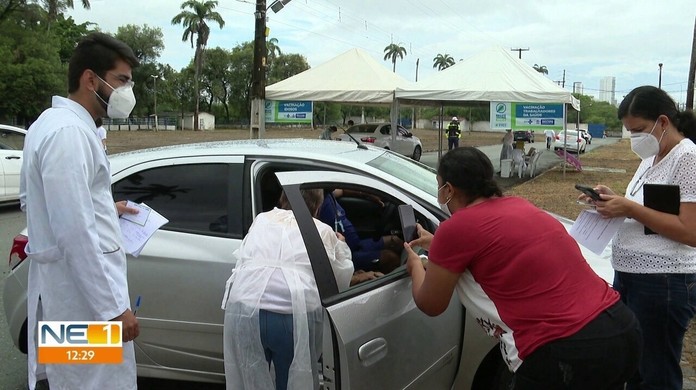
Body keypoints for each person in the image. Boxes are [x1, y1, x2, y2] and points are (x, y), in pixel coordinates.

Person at [404, 147, 642, 389]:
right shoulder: (518, 205)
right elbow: (495, 249)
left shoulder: (456, 228)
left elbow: (431, 304)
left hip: (566, 351)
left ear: (449, 189)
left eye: (439, 185)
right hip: (620, 328)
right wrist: (437, 245)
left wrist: (415, 265)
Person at [19, 32, 140, 390]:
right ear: (91, 79)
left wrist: (105, 207)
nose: (126, 93)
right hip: (84, 305)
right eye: (121, 81)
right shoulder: (68, 133)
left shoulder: (49, 125)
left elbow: (39, 202)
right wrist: (112, 310)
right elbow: (73, 231)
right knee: (93, 383)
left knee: (78, 381)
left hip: (72, 296)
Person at [581, 85, 696, 390]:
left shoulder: (688, 157)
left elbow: (690, 231)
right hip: (632, 275)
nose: (634, 139)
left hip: (663, 280)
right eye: (630, 131)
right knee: (633, 362)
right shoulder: (652, 157)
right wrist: (613, 202)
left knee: (655, 372)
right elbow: (648, 210)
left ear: (662, 121)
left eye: (639, 130)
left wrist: (629, 207)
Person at [221, 189, 354, 390]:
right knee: (291, 380)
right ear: (317, 207)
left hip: (245, 310)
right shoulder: (321, 230)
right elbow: (340, 278)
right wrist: (341, 246)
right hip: (292, 317)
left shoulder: (262, 220)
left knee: (251, 377)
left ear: (282, 199)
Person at [319, 188, 403, 274]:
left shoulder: (326, 191)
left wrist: (365, 194)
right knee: (390, 258)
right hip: (343, 256)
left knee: (395, 241)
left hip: (356, 245)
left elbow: (342, 191)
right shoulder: (315, 200)